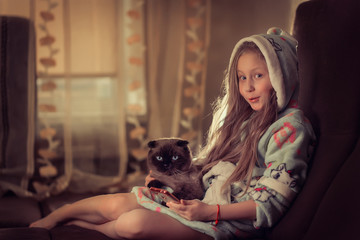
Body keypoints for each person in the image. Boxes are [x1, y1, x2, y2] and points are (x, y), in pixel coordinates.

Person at [30, 27, 315, 240]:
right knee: (118, 203)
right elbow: (211, 168)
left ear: (282, 75)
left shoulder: (291, 129)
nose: (248, 87)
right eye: (242, 77)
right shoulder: (245, 121)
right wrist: (168, 182)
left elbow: (272, 202)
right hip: (203, 201)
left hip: (229, 221)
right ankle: (60, 215)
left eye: (258, 75)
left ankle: (81, 230)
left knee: (133, 224)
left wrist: (210, 213)